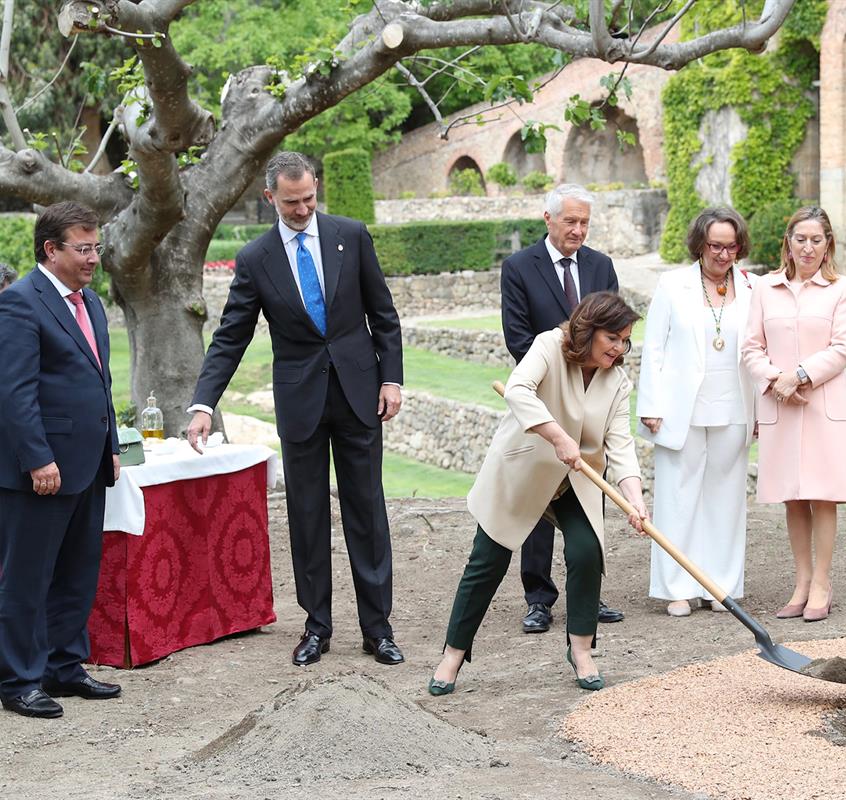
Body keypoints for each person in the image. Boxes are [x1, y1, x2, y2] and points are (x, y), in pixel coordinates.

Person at [187, 151, 406, 666]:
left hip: (359, 393)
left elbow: (384, 314)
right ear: (271, 198)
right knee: (306, 517)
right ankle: (317, 627)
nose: (304, 208)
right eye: (292, 202)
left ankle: (378, 629)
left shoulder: (350, 235)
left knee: (367, 512)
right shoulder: (254, 258)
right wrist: (203, 403)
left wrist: (391, 377)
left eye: (309, 198)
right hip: (300, 402)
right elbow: (230, 338)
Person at [429, 292, 648, 696]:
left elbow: (620, 445)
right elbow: (518, 389)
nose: (619, 349)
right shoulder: (549, 345)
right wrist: (557, 435)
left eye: (625, 341)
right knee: (487, 561)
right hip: (524, 470)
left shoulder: (617, 381)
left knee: (586, 551)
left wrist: (634, 498)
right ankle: (452, 655)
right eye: (612, 338)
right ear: (589, 330)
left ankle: (581, 649)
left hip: (574, 481)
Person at [0, 202, 122, 718]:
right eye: (84, 248)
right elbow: (14, 392)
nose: (94, 257)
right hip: (41, 471)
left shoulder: (89, 301)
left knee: (77, 572)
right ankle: (18, 680)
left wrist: (111, 445)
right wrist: (37, 460)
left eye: (97, 246)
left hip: (87, 461)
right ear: (51, 249)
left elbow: (101, 379)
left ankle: (64, 667)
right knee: (28, 578)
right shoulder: (20, 304)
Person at [500, 183, 625, 634]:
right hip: (544, 403)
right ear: (548, 219)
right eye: (570, 221)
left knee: (590, 497)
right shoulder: (518, 267)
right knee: (539, 502)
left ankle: (587, 592)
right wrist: (560, 372)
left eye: (585, 222)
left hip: (593, 403)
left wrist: (594, 375)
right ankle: (539, 598)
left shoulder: (601, 266)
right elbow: (517, 337)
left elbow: (614, 331)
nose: (578, 229)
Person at [637, 208, 757, 617]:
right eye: (715, 246)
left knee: (725, 500)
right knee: (678, 497)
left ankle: (719, 586)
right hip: (679, 408)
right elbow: (653, 348)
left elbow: (758, 349)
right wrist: (651, 405)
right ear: (699, 245)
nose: (723, 254)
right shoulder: (673, 285)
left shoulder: (751, 287)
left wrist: (758, 408)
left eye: (731, 246)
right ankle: (677, 588)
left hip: (735, 405)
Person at [742, 207, 846, 622]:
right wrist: (776, 381)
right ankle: (802, 582)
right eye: (800, 238)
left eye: (816, 239)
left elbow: (841, 348)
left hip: (821, 404)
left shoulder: (841, 289)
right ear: (787, 242)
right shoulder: (764, 289)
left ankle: (823, 583)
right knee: (792, 495)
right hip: (780, 404)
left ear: (828, 245)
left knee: (823, 495)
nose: (807, 247)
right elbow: (751, 346)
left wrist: (800, 377)